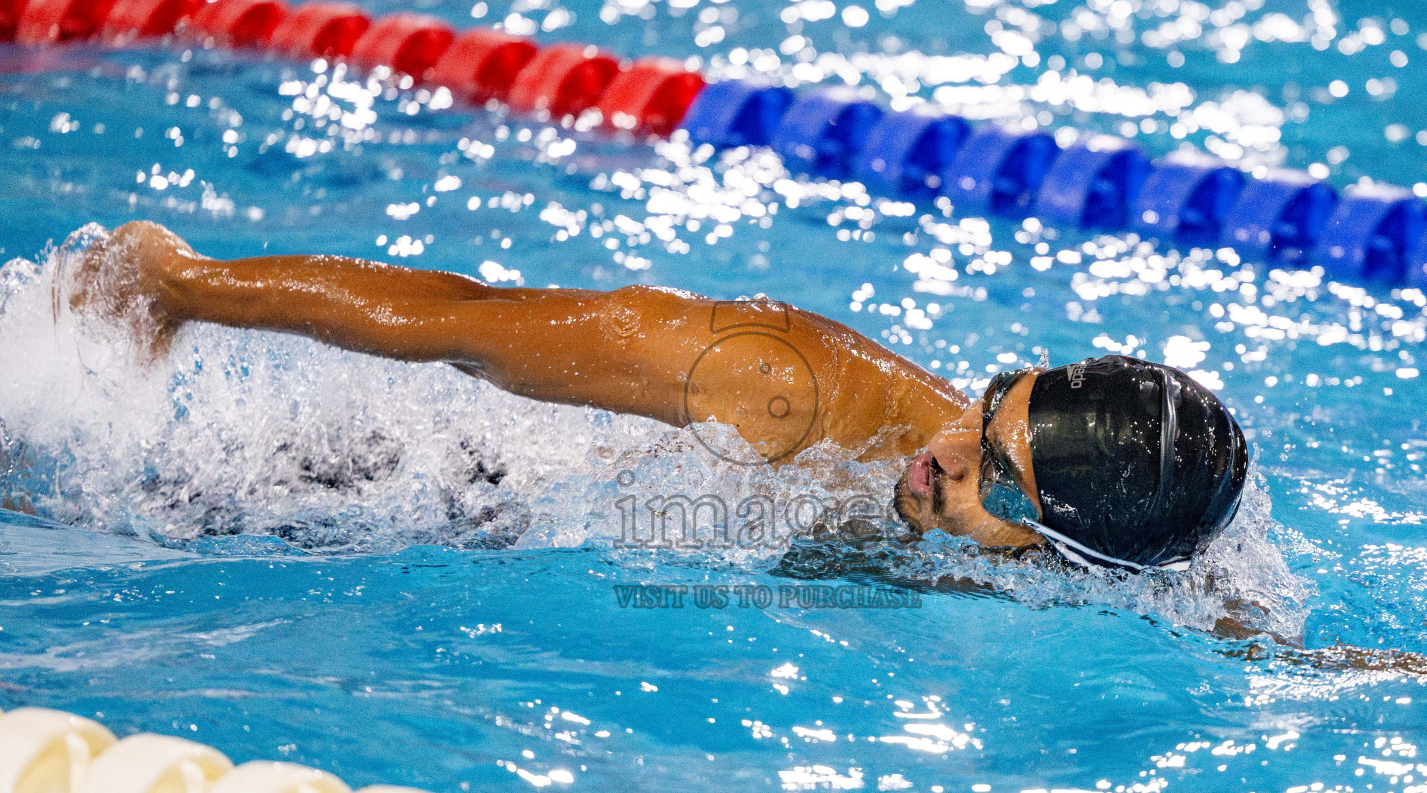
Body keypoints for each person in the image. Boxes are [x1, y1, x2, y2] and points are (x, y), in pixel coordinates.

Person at [70, 220, 1248, 572]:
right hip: (459, 491)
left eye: (992, 474)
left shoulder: (1126, 557)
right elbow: (464, 322)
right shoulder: (785, 387)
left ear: (1072, 549)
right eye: (983, 409)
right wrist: (183, 288)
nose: (942, 451)